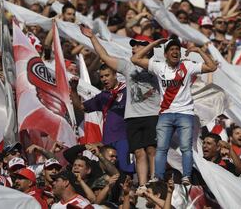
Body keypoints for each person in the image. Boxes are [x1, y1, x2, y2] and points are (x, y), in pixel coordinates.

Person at [78, 26, 160, 189]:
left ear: (148, 49)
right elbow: (104, 56)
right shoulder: (127, 66)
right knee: (138, 152)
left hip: (153, 114)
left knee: (151, 150)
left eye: (138, 45)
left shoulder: (158, 67)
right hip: (133, 117)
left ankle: (155, 179)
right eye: (133, 45)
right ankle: (143, 185)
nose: (133, 47)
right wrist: (92, 37)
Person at [131, 37, 217, 185]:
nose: (175, 51)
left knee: (186, 148)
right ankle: (158, 177)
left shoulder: (187, 66)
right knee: (161, 148)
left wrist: (199, 51)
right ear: (165, 54)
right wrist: (154, 44)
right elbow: (135, 59)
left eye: (177, 49)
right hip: (166, 114)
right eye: (171, 49)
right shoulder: (159, 66)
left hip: (185, 113)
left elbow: (212, 67)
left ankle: (186, 177)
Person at [70, 63, 134, 175]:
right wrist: (74, 89)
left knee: (124, 169)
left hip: (123, 138)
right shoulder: (103, 96)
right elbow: (80, 107)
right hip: (107, 141)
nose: (104, 79)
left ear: (115, 75)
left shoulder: (128, 90)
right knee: (106, 172)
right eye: (101, 77)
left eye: (107, 75)